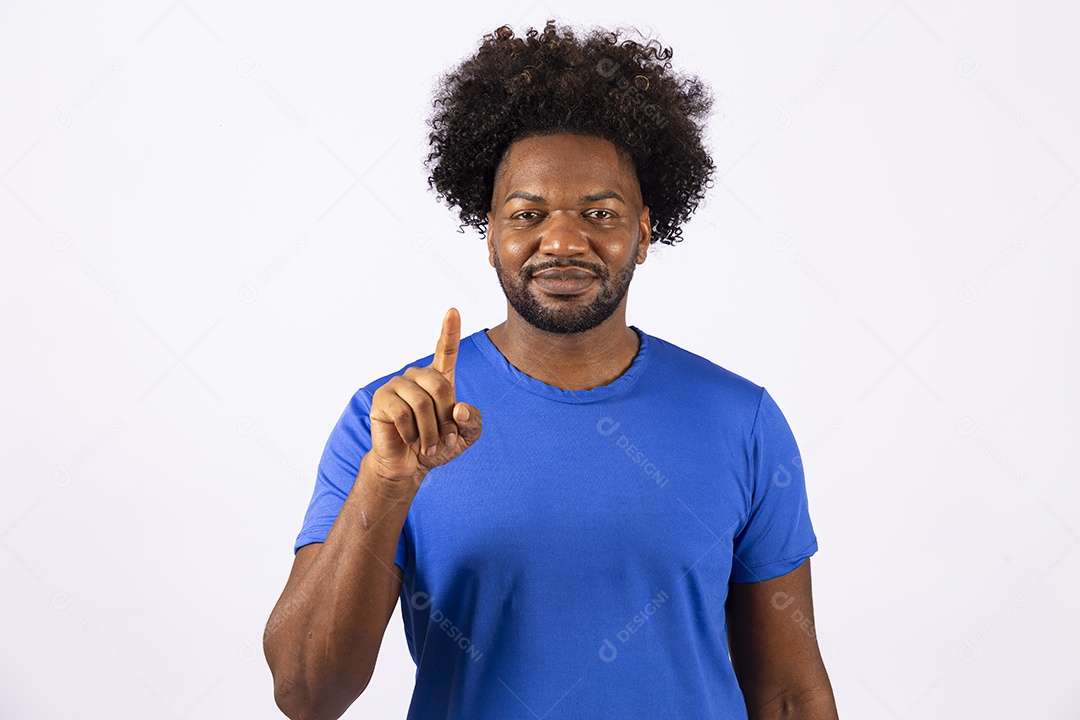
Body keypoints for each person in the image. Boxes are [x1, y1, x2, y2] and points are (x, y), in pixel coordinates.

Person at [264, 19, 839, 720]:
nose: (563, 240)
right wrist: (386, 487)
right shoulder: (391, 422)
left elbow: (787, 694)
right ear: (491, 234)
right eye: (528, 212)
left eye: (599, 212)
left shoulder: (740, 420)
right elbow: (304, 694)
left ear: (646, 232)